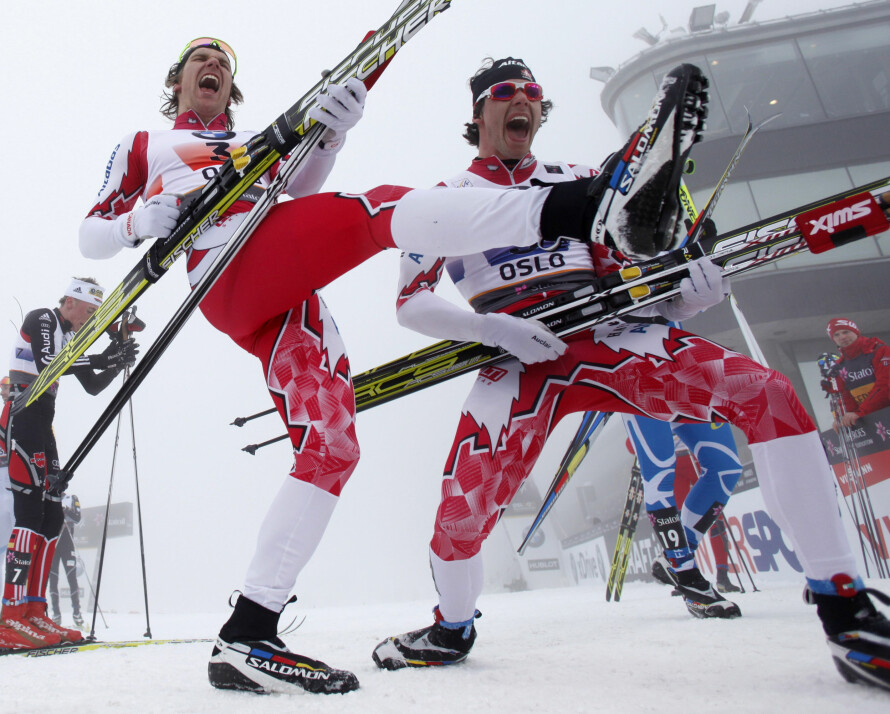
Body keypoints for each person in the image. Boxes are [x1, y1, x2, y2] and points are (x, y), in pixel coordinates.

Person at [77, 40, 702, 693]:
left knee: (332, 447)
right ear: (176, 79)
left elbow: (293, 192)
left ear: (230, 87)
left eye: (225, 63)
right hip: (229, 268)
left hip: (284, 292)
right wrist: (137, 221)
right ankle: (585, 209)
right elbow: (91, 233)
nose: (214, 66)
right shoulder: (145, 143)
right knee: (379, 210)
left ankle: (248, 634)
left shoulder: (249, 146)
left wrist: (331, 138)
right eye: (201, 59)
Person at [371, 57, 890, 692]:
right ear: (478, 113)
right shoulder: (442, 201)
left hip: (610, 337)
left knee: (771, 395)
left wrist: (687, 297)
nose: (523, 102)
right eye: (506, 93)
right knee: (460, 515)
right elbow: (411, 304)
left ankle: (844, 608)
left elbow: (630, 279)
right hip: (518, 359)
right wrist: (492, 330)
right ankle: (451, 628)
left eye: (534, 93)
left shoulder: (585, 179)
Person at [0, 279, 138, 651]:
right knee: (29, 514)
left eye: (96, 313)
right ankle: (9, 615)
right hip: (23, 414)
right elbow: (49, 365)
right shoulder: (45, 318)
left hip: (42, 422)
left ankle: (33, 609)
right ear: (72, 302)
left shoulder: (71, 339)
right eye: (90, 311)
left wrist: (116, 358)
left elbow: (92, 385)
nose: (89, 319)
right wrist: (102, 357)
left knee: (52, 517)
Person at [624, 415, 743, 616]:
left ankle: (673, 560)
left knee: (726, 467)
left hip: (691, 385)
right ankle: (689, 577)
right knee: (659, 475)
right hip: (642, 389)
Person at [824, 318, 890, 429]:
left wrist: (860, 412)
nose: (842, 337)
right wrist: (841, 419)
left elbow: (885, 386)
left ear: (856, 331)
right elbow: (844, 397)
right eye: (836, 335)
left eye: (846, 332)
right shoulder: (839, 367)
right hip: (871, 422)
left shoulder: (880, 351)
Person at [48, 493, 84, 629]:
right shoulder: (49, 497)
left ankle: (77, 613)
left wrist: (66, 511)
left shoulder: (72, 498)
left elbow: (77, 518)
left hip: (68, 545)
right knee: (53, 579)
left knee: (72, 579)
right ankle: (56, 614)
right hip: (54, 544)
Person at [0, 376, 13, 586]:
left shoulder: (23, 412)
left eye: (6, 387)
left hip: (18, 486)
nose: (3, 391)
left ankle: (19, 604)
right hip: (3, 486)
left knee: (21, 548)